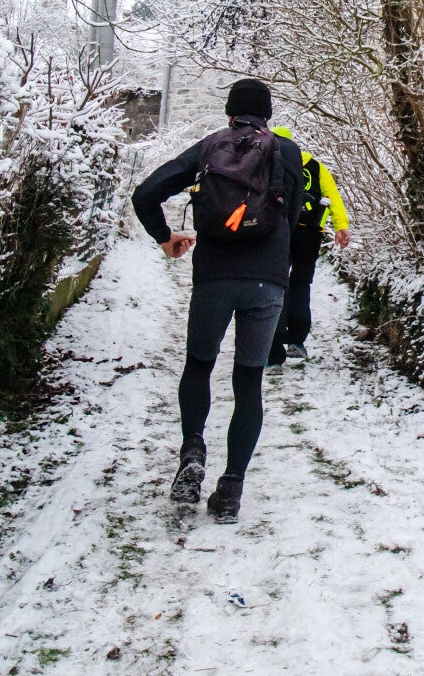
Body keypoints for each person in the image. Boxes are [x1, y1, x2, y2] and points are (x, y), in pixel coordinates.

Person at [131, 78, 303, 523]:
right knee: (248, 381)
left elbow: (145, 193)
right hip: (266, 283)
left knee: (199, 365)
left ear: (230, 114)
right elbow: (293, 217)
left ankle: (192, 450)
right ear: (268, 115)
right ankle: (231, 489)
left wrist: (165, 237)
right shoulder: (287, 152)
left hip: (213, 278)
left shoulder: (209, 147)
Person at [268, 126, 350, 364]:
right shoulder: (315, 166)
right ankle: (297, 340)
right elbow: (333, 197)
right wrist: (341, 226)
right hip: (309, 233)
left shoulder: (269, 163)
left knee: (276, 284)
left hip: (279, 231)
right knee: (301, 283)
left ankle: (273, 347)